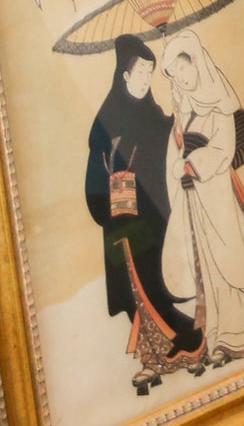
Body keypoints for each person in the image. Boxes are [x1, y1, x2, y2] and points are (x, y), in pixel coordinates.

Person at [83, 35, 206, 393]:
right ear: (124, 74)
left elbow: (170, 143)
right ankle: (153, 359)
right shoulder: (105, 120)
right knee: (133, 293)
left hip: (153, 217)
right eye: (140, 73)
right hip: (119, 221)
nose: (144, 81)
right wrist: (106, 203)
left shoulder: (154, 114)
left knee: (156, 286)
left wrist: (180, 113)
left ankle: (181, 346)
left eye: (150, 74)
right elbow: (94, 173)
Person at [160, 29, 244, 364]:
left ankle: (239, 330)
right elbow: (175, 151)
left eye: (183, 68)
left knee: (219, 263)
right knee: (203, 268)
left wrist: (192, 165)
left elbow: (222, 149)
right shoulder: (182, 110)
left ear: (196, 63)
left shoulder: (220, 105)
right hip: (192, 200)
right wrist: (177, 165)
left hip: (215, 196)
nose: (182, 78)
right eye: (174, 73)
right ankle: (212, 336)